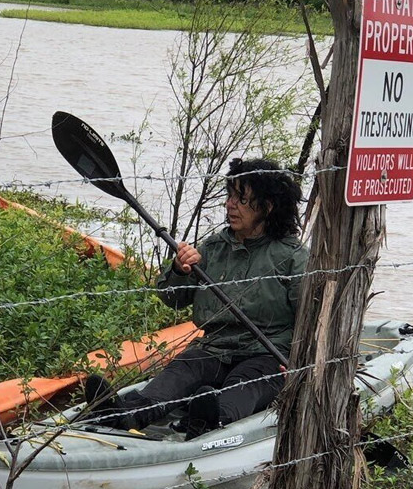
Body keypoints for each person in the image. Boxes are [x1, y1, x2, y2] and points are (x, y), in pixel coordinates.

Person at [84, 156, 308, 437]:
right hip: (213, 348)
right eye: (230, 196)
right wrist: (180, 269)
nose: (230, 204)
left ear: (268, 206)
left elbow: (309, 320)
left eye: (241, 199)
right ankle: (124, 413)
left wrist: (297, 363)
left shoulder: (293, 257)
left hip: (267, 355)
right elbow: (172, 298)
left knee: (246, 383)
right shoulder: (214, 247)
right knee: (181, 371)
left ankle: (209, 419)